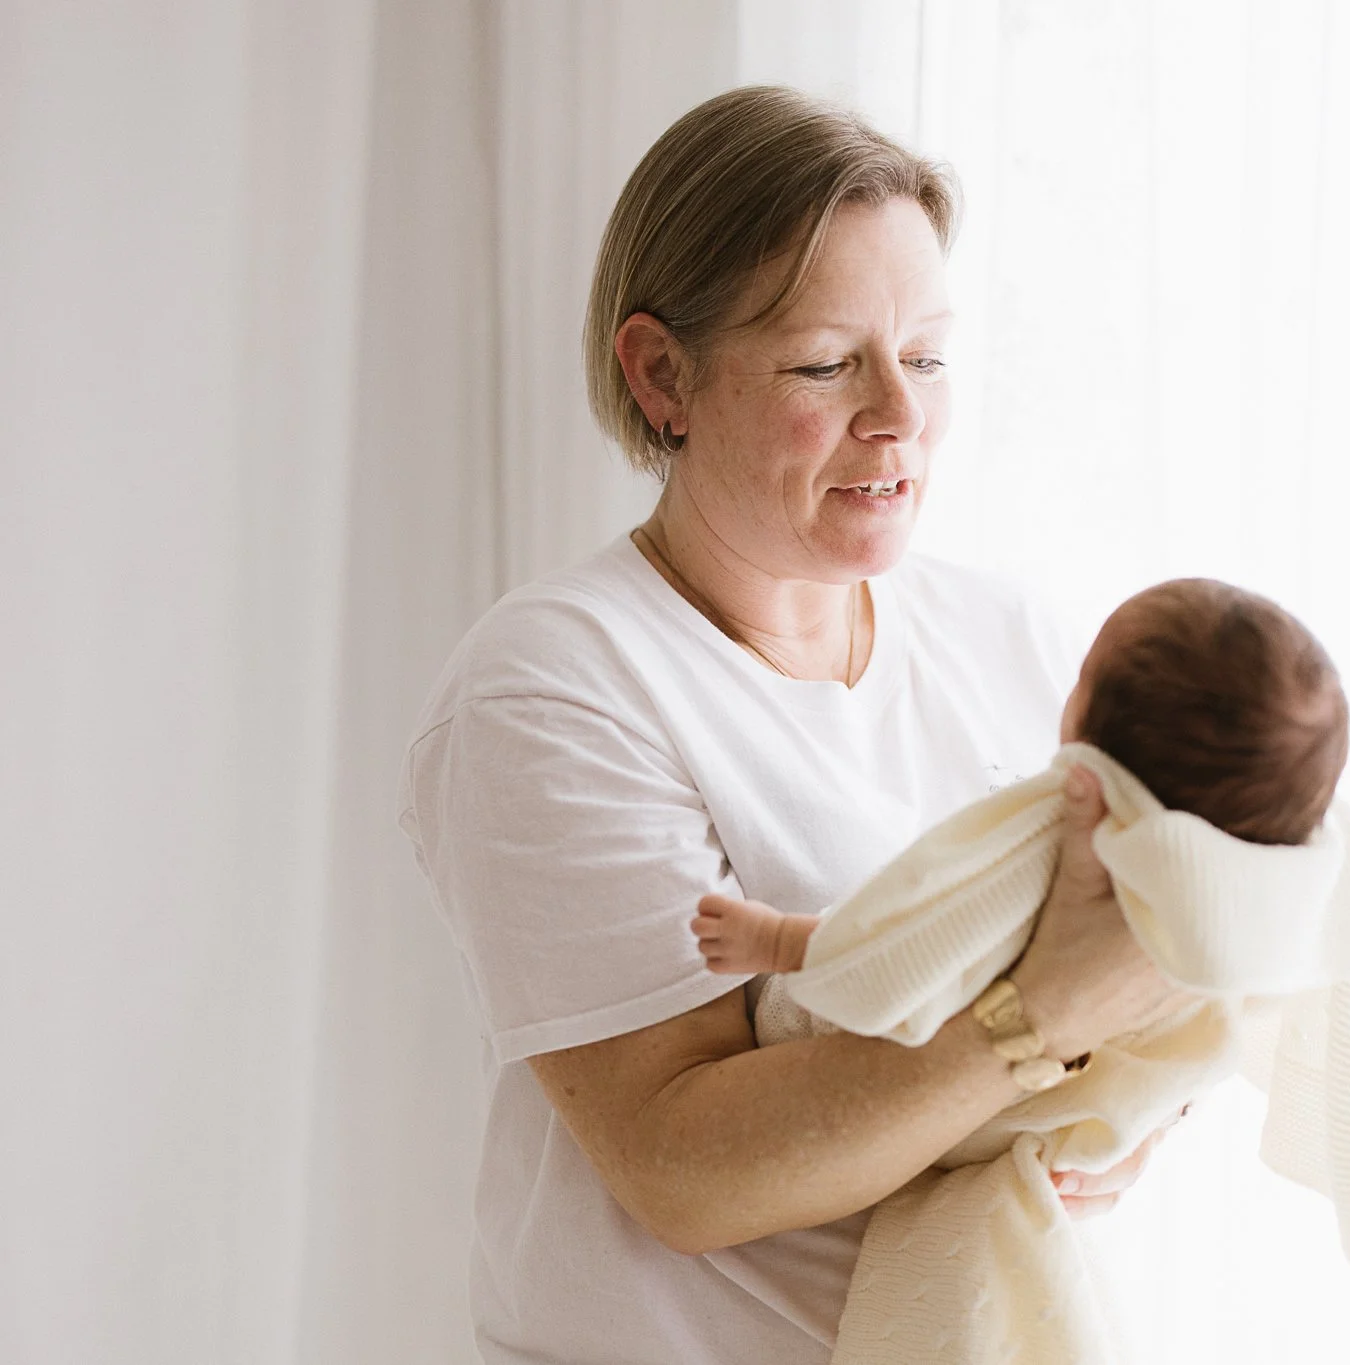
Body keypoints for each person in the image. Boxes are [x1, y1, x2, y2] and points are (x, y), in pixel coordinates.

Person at [398, 86, 1189, 1364]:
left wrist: (1137, 1101)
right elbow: (683, 1170)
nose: (900, 416)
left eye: (925, 356)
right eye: (827, 364)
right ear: (662, 374)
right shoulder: (556, 686)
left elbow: (1148, 961)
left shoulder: (1011, 637)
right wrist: (1039, 1022)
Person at [694, 577, 1350, 978]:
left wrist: (777, 940)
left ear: (1094, 742)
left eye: (1085, 675)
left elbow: (912, 934)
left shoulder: (1049, 836)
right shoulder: (1221, 911)